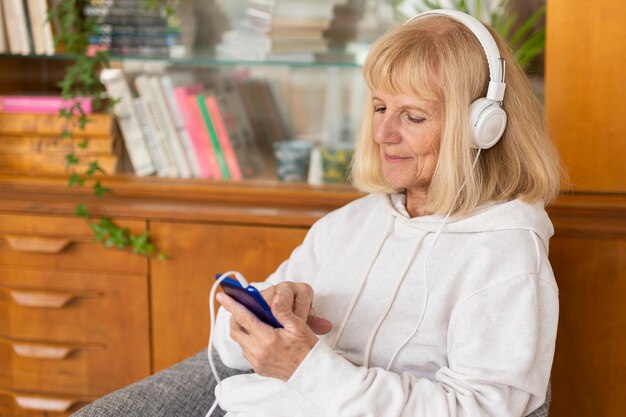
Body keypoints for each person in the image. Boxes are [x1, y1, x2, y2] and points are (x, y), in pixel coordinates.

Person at [73, 9, 562, 417]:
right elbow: (228, 354)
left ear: (483, 127)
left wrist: (307, 367)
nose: (383, 134)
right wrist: (260, 319)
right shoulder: (349, 225)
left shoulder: (505, 253)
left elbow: (482, 409)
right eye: (378, 108)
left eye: (413, 117)